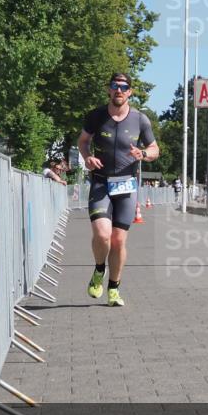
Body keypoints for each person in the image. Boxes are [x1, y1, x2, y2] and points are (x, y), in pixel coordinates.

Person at [77, 73, 158, 307]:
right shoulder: (96, 116)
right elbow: (83, 141)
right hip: (101, 182)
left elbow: (154, 149)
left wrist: (143, 154)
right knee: (102, 235)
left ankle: (114, 289)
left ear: (130, 92)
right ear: (109, 90)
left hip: (126, 186)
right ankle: (99, 270)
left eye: (124, 87)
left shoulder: (140, 120)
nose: (119, 90)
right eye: (115, 86)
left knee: (118, 240)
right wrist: (87, 157)